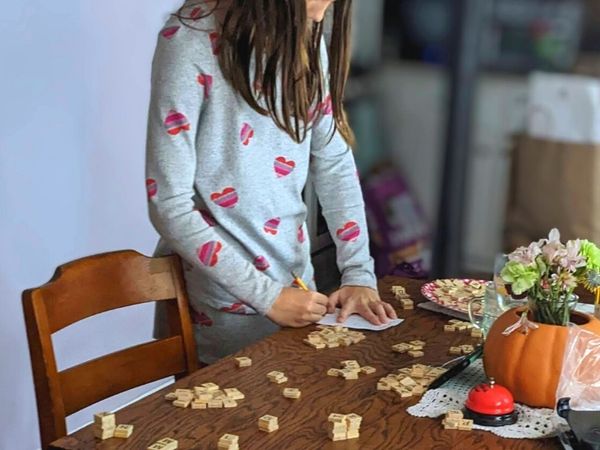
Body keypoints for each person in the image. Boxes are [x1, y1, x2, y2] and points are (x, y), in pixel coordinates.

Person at [146, 0, 397, 364]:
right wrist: (267, 297)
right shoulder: (187, 42)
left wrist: (358, 274)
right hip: (218, 313)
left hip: (300, 294)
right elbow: (168, 205)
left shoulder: (303, 35)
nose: (325, 10)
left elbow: (334, 162)